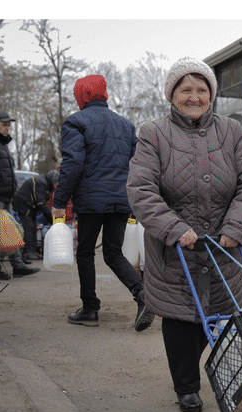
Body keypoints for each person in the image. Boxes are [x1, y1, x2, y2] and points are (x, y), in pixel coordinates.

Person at [127, 56, 242, 412]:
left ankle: (219, 374)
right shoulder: (153, 133)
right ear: (172, 95)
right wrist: (175, 229)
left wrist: (236, 227)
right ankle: (186, 385)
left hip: (223, 244)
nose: (194, 96)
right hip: (175, 247)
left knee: (220, 313)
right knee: (180, 318)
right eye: (185, 89)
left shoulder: (231, 131)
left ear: (211, 95)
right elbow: (141, 189)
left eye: (202, 89)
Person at [51, 74, 148, 329]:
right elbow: (137, 165)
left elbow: (72, 164)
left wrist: (59, 201)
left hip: (92, 199)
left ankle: (90, 309)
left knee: (85, 252)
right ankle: (142, 294)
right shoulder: (126, 125)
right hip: (120, 199)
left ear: (81, 95)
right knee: (113, 252)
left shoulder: (75, 121)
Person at [0, 109, 39, 278]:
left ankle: (17, 265)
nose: (7, 128)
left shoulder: (0, 144)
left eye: (8, 125)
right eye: (4, 125)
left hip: (5, 197)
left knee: (10, 233)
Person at [14, 170, 58, 261]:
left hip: (28, 205)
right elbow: (41, 203)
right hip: (24, 205)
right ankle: (29, 253)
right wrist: (52, 219)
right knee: (29, 227)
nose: (55, 185)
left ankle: (33, 251)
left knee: (32, 227)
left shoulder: (44, 182)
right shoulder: (41, 183)